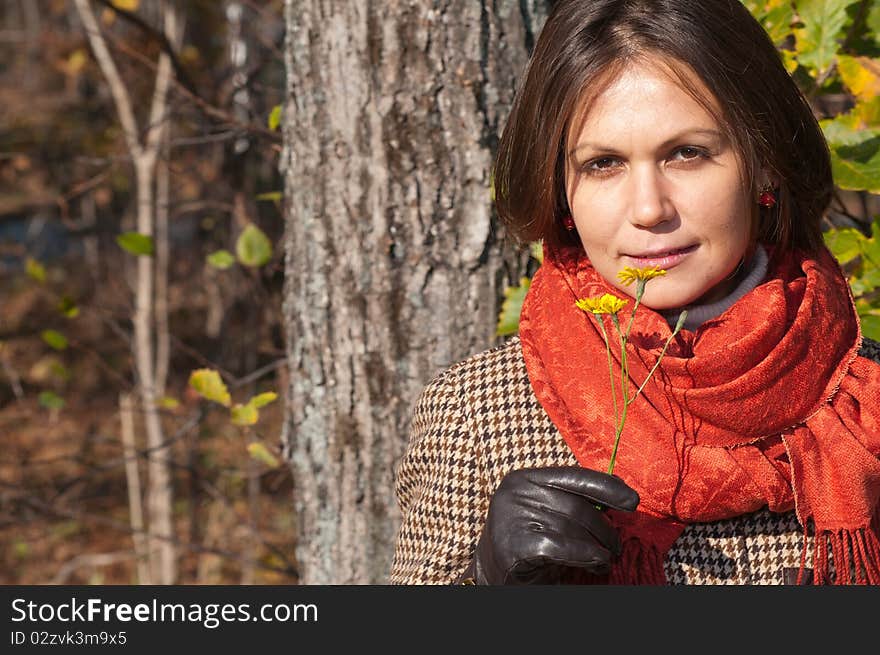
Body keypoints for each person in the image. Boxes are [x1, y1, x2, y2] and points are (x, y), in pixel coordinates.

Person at [389, 0, 880, 585]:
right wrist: (485, 586)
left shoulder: (863, 404)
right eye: (603, 164)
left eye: (687, 153)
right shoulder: (476, 415)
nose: (649, 209)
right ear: (560, 192)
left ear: (764, 163)